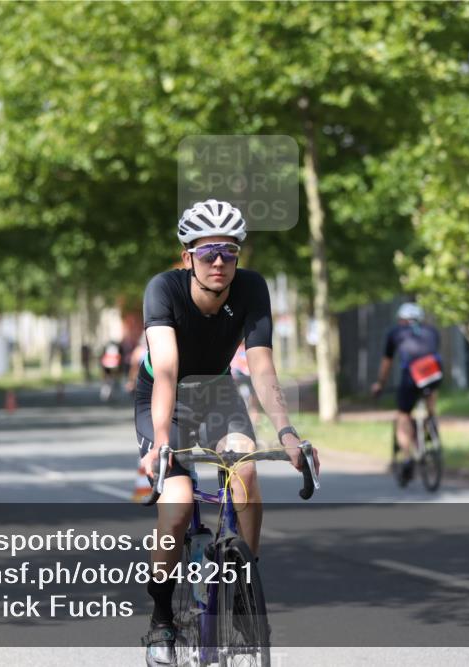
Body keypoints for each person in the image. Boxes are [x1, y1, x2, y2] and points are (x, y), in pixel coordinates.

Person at [136, 199, 320, 666]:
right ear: (187, 258)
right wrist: (161, 440)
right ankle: (161, 619)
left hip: (217, 392)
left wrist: (287, 433)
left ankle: (242, 588)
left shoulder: (252, 288)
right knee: (176, 510)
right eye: (208, 252)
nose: (219, 262)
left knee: (247, 473)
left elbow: (260, 366)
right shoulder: (163, 290)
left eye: (230, 252)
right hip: (166, 397)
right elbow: (168, 370)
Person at [371, 302, 443, 485]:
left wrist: (380, 384)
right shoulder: (432, 331)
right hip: (433, 371)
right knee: (430, 393)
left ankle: (407, 457)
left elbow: (387, 363)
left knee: (403, 415)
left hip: (412, 375)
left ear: (401, 319)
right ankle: (432, 421)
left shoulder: (396, 332)